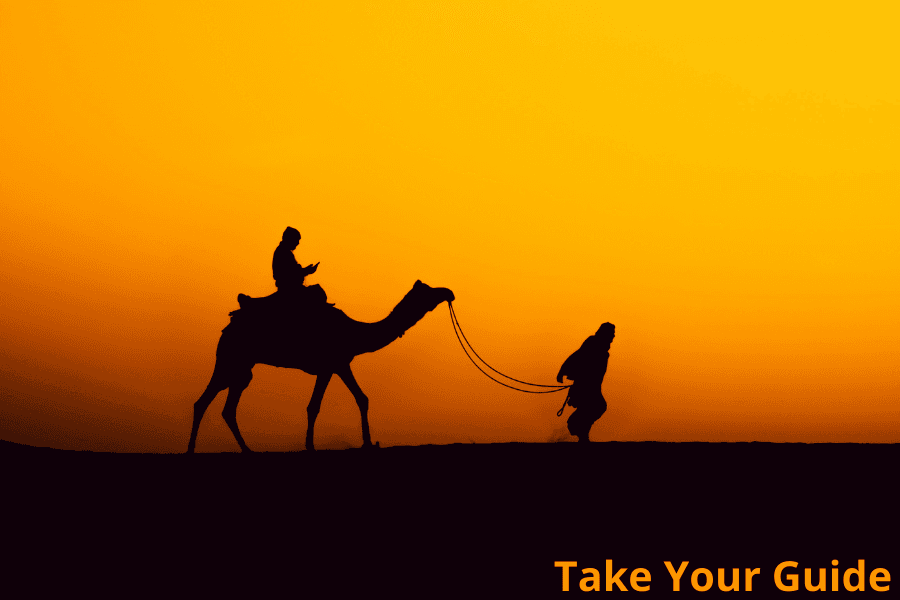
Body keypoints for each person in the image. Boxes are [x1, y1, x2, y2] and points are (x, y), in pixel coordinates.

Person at [557, 322, 615, 443]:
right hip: (584, 387)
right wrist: (562, 370)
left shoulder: (603, 350)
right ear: (606, 334)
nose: (613, 337)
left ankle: (581, 433)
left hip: (593, 387)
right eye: (612, 334)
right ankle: (577, 428)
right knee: (597, 407)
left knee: (596, 407)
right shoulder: (593, 343)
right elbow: (578, 355)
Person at [273, 226, 318, 294]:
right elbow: (291, 274)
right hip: (289, 289)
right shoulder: (283, 252)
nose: (298, 243)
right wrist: (307, 271)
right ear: (290, 239)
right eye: (296, 240)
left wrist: (306, 270)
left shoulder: (284, 252)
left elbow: (294, 272)